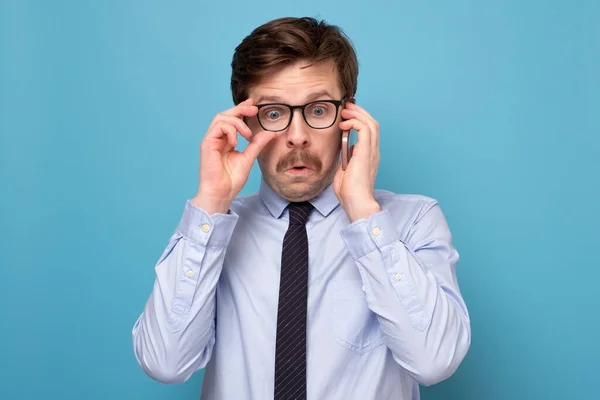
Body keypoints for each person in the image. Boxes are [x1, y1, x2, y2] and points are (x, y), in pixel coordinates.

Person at [132, 16, 471, 400]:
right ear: (244, 120)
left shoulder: (411, 223)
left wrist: (364, 211)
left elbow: (434, 361)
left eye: (319, 109)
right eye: (274, 113)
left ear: (349, 116)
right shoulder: (212, 231)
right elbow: (165, 363)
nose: (297, 137)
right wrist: (211, 201)